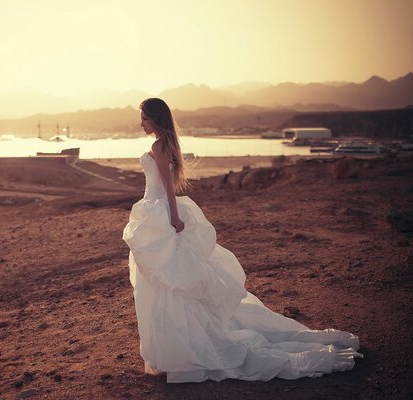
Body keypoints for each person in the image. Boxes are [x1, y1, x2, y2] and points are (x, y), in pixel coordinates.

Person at [122, 98, 362, 383]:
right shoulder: (167, 144)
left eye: (144, 118)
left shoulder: (158, 146)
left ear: (155, 118)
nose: (141, 123)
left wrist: (173, 218)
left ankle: (180, 350)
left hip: (160, 214)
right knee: (169, 282)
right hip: (158, 212)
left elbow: (167, 189)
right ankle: (176, 348)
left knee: (168, 282)